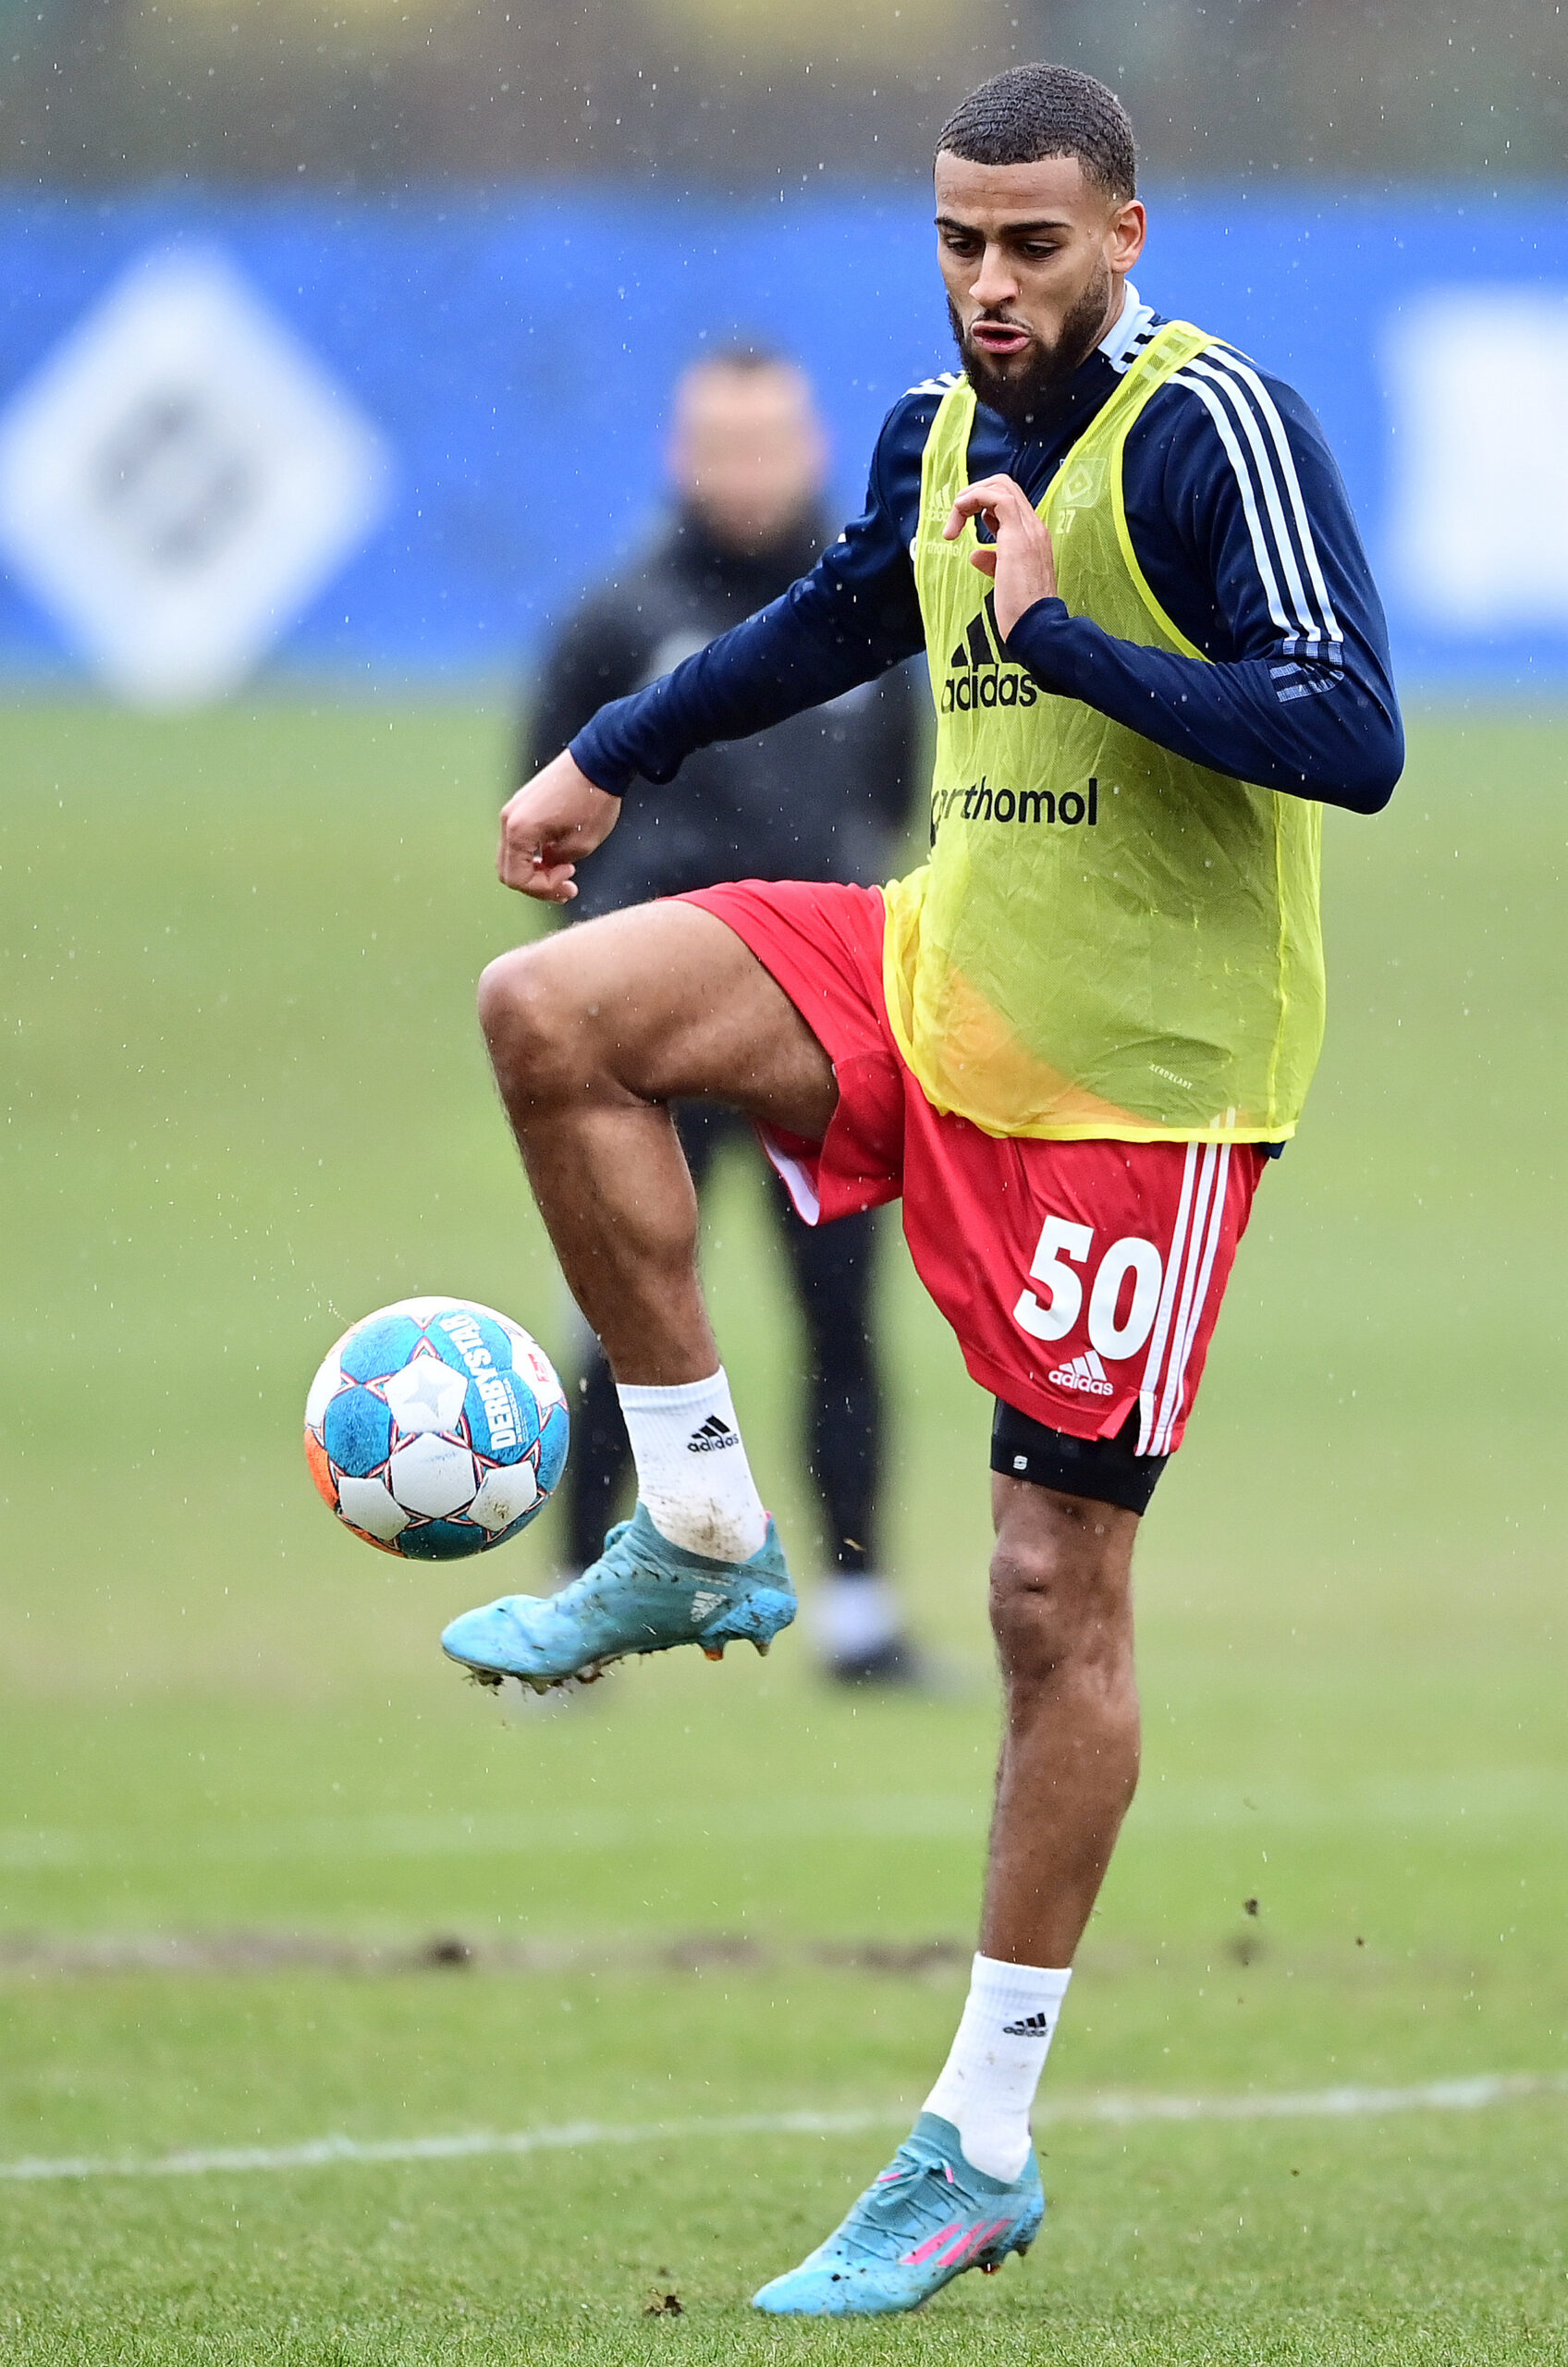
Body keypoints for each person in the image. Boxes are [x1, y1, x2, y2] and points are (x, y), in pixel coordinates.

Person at [442, 62, 1403, 2316]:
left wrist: (1063, 634)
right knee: (546, 1013)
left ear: (1124, 234)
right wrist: (616, 749)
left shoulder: (1205, 429)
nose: (985, 284)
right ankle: (689, 1518)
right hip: (930, 968)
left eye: (1030, 244)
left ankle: (973, 2131)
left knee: (1044, 1593)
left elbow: (1348, 733)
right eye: (957, 241)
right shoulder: (931, 428)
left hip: (1138, 1096)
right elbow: (860, 611)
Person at [523, 347, 922, 1683]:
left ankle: (861, 1615)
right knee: (626, 1310)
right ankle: (584, 1593)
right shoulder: (616, 623)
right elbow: (549, 816)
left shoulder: (871, 620)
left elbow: (892, 803)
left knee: (842, 1318)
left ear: (808, 451)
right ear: (679, 454)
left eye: (767, 443)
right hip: (662, 1047)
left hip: (825, 1039)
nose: (744, 471)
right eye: (719, 444)